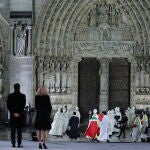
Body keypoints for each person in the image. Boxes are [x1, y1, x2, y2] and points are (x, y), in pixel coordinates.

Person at [7, 83, 26, 148]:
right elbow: (23, 106)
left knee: (13, 130)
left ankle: (13, 144)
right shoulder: (23, 96)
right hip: (20, 116)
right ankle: (19, 143)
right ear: (19, 88)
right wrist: (19, 113)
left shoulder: (10, 96)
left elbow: (8, 106)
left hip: (13, 116)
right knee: (19, 130)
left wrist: (13, 113)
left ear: (14, 88)